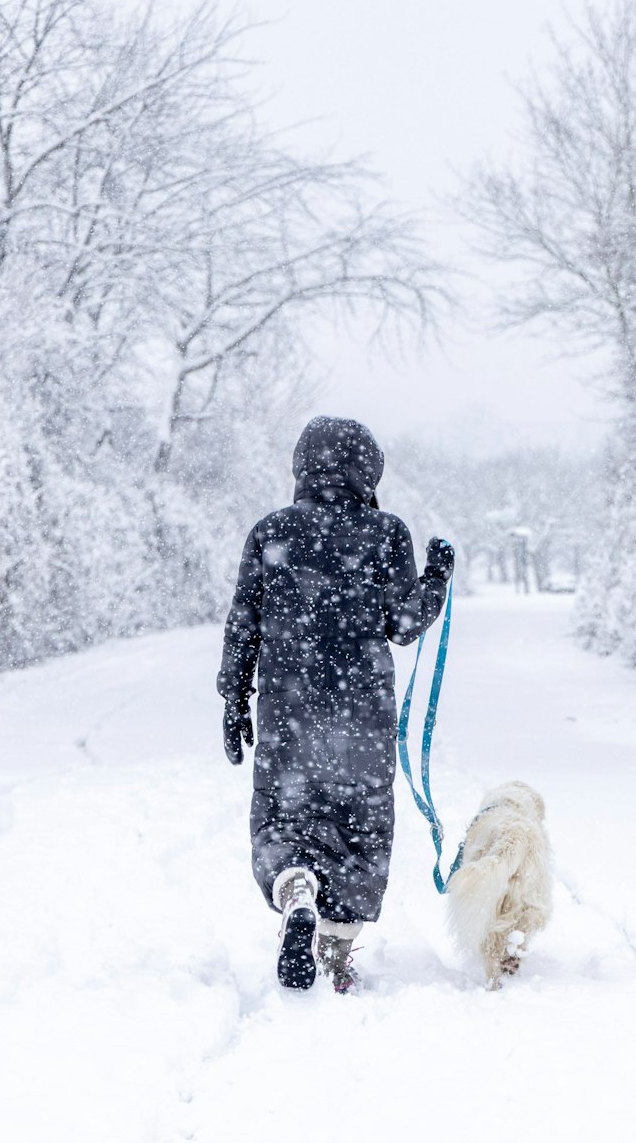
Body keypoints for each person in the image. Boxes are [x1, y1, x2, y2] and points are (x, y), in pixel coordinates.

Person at [216, 416, 453, 993]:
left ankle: (295, 886)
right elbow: (401, 624)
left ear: (301, 467)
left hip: (287, 710)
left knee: (283, 816)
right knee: (361, 829)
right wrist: (437, 576)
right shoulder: (386, 533)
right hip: (362, 712)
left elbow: (243, 623)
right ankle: (336, 953)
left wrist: (233, 698)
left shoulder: (271, 531)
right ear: (368, 470)